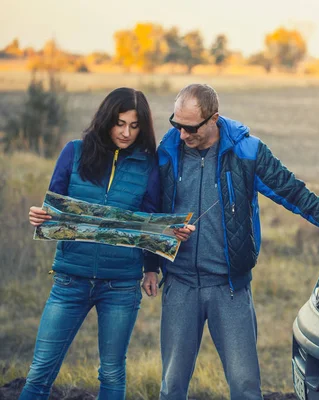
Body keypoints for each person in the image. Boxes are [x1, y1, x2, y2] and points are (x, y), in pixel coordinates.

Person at [143, 83, 319, 400]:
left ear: (213, 118)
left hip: (230, 288)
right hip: (179, 285)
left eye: (190, 128)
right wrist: (151, 264)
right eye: (176, 125)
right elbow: (152, 210)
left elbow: (294, 192)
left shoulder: (247, 151)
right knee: (172, 387)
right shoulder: (167, 152)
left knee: (245, 387)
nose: (182, 135)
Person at [21, 87, 191, 400]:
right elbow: (54, 209)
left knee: (112, 373)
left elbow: (149, 218)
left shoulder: (148, 164)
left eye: (134, 125)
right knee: (40, 372)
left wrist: (154, 263)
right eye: (120, 123)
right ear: (105, 120)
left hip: (121, 285)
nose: (126, 132)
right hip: (70, 280)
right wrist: (39, 216)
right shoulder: (73, 152)